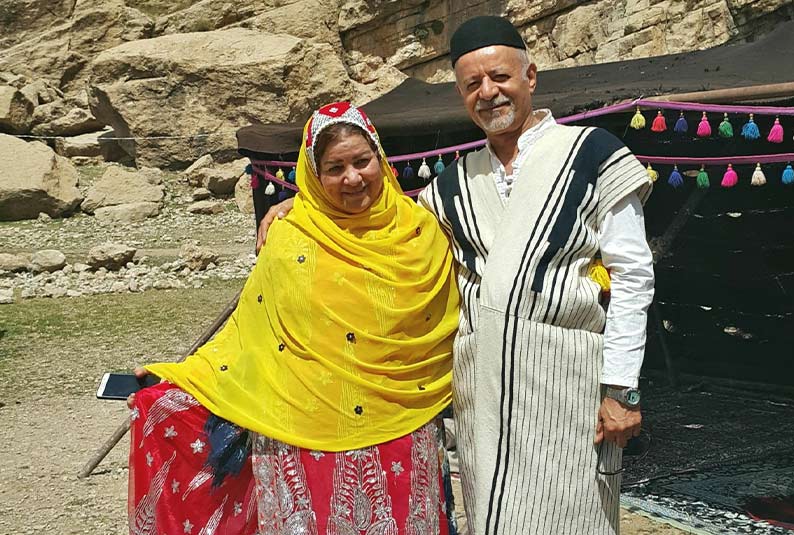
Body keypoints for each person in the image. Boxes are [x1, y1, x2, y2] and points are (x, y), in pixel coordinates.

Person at [258, 16, 655, 535]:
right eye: (473, 84)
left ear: (530, 76)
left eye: (500, 78)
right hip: (479, 390)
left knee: (575, 515)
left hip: (569, 382)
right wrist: (300, 209)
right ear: (461, 94)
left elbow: (632, 275)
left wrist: (620, 388)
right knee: (493, 518)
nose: (488, 93)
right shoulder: (451, 185)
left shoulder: (593, 153)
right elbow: (382, 223)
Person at [128, 101, 461, 534]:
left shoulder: (424, 232)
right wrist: (181, 378)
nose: (353, 178)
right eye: (335, 168)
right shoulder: (290, 237)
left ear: (381, 159)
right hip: (303, 436)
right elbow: (251, 331)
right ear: (314, 177)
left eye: (362, 162)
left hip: (401, 430)